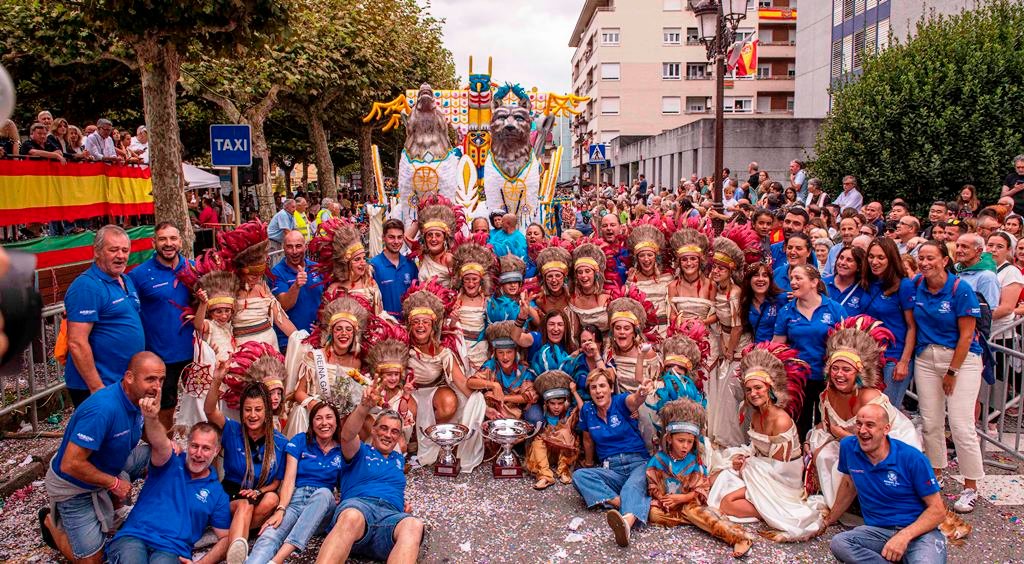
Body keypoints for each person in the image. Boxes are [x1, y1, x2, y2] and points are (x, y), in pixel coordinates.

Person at [40, 352, 164, 564]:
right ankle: (50, 523)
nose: (157, 387)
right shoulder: (103, 409)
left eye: (161, 380)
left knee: (165, 456)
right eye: (150, 379)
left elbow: (153, 440)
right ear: (129, 377)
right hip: (74, 486)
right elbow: (70, 464)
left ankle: (124, 508)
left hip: (110, 465)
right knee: (93, 561)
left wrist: (153, 419)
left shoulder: (138, 400)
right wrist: (113, 483)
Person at [707, 343, 826, 542]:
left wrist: (747, 465)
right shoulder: (755, 416)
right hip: (762, 469)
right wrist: (743, 459)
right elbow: (757, 449)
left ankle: (771, 511)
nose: (754, 393)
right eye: (749, 389)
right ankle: (760, 505)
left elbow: (780, 469)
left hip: (781, 480)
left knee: (727, 502)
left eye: (758, 388)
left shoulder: (780, 420)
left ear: (770, 388)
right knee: (716, 479)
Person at [806, 317, 922, 510]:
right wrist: (807, 442)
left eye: (846, 369)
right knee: (823, 450)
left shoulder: (870, 398)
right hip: (853, 442)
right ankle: (846, 502)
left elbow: (877, 441)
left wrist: (842, 435)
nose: (839, 374)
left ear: (858, 374)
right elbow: (827, 425)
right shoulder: (827, 394)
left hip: (888, 443)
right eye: (835, 368)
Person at [107, 403, 230, 564]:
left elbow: (226, 538)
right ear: (188, 443)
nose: (198, 454)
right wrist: (151, 418)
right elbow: (159, 442)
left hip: (171, 549)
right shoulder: (170, 460)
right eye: (194, 446)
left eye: (206, 448)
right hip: (135, 536)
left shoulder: (217, 493)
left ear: (216, 450)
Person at [824, 404, 947, 564]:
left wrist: (904, 536)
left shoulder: (912, 458)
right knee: (840, 543)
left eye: (870, 425)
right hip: (878, 531)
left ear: (886, 429)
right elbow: (848, 484)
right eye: (859, 424)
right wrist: (829, 520)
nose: (861, 431)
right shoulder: (849, 446)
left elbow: (938, 511)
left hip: (919, 532)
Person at [913, 240, 985, 513]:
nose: (925, 263)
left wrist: (952, 372)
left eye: (931, 257)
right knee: (930, 420)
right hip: (926, 358)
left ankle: (971, 485)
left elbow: (967, 334)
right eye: (921, 257)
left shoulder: (960, 289)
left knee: (960, 423)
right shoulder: (916, 285)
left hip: (961, 359)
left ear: (945, 260)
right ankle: (936, 474)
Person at [316, 387, 424, 563]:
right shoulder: (360, 450)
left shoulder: (398, 460)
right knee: (351, 516)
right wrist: (364, 407)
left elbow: (390, 486)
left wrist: (401, 503)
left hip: (390, 519)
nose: (388, 435)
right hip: (359, 510)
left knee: (414, 524)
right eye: (383, 428)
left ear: (398, 437)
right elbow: (347, 435)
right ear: (373, 430)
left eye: (394, 431)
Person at [646, 399, 753, 557]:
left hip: (688, 501)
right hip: (668, 504)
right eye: (680, 441)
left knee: (693, 511)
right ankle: (697, 520)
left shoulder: (693, 462)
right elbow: (653, 485)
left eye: (690, 442)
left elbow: (701, 489)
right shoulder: (658, 460)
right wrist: (664, 499)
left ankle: (739, 538)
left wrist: (682, 498)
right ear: (669, 439)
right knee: (653, 514)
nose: (685, 446)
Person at [205, 364, 288, 564]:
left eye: (258, 409)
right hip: (230, 495)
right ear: (241, 411)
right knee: (244, 505)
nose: (252, 415)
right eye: (248, 410)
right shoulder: (232, 430)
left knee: (271, 500)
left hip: (257, 493)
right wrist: (216, 380)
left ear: (267, 411)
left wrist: (259, 492)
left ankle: (233, 538)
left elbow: (276, 482)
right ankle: (238, 557)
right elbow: (209, 410)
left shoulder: (280, 442)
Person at [246, 402, 343, 563]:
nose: (324, 423)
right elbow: (289, 479)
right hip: (296, 500)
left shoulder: (342, 449)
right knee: (270, 534)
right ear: (312, 422)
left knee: (324, 494)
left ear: (337, 422)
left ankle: (277, 560)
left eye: (329, 417)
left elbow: (346, 483)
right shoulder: (300, 441)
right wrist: (281, 509)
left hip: (323, 508)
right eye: (318, 418)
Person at [63, 226, 146, 406]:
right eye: (113, 250)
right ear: (97, 252)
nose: (121, 255)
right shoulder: (87, 286)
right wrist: (96, 387)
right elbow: (77, 342)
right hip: (100, 385)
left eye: (125, 250)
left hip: (122, 381)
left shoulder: (125, 280)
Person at [572, 367, 654, 548]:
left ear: (610, 388)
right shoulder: (587, 410)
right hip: (611, 467)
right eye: (593, 387)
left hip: (637, 462)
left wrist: (641, 393)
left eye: (602, 386)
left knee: (633, 484)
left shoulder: (620, 401)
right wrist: (588, 464)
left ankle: (625, 523)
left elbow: (635, 400)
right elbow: (587, 440)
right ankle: (623, 502)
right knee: (579, 476)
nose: (598, 391)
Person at [127, 222, 194, 432]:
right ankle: (162, 455)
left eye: (173, 239)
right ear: (153, 242)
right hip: (161, 357)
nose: (168, 244)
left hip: (195, 352)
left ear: (180, 241)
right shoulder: (138, 275)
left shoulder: (194, 269)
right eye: (163, 239)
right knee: (164, 408)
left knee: (200, 404)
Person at [773, 264, 848, 437]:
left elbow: (848, 343)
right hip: (799, 380)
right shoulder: (786, 311)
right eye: (792, 278)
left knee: (828, 425)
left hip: (828, 378)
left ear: (814, 282)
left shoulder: (834, 309)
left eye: (798, 278)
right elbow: (777, 346)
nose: (793, 282)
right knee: (800, 425)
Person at [860, 238, 918, 408]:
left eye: (881, 257)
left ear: (891, 259)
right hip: (869, 358)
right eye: (871, 256)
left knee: (886, 412)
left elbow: (912, 326)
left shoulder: (904, 285)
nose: (874, 261)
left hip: (893, 357)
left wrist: (904, 361)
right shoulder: (868, 282)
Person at [526, 370, 584, 490]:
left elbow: (582, 408)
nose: (556, 407)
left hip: (563, 450)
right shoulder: (543, 414)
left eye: (560, 403)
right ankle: (545, 476)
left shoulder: (569, 413)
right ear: (546, 404)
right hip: (547, 452)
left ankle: (564, 470)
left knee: (564, 433)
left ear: (565, 403)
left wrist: (574, 392)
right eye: (552, 403)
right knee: (537, 442)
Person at [271, 229, 324, 348]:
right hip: (290, 342)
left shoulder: (316, 268)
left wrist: (324, 324)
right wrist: (296, 286)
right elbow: (284, 305)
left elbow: (327, 298)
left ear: (305, 247)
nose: (294, 251)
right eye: (290, 247)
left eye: (298, 246)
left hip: (317, 338)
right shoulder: (277, 272)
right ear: (283, 248)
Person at [625, 223, 672, 337]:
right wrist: (629, 283)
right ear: (637, 259)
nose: (646, 259)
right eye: (642, 255)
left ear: (656, 257)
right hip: (643, 332)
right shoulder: (632, 279)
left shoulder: (668, 278)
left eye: (650, 255)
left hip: (665, 330)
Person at [370, 219, 418, 320]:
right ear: (383, 238)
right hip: (384, 326)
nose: (396, 242)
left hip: (408, 325)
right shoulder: (373, 266)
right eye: (391, 237)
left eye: (399, 237)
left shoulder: (410, 265)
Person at [569, 240, 613, 333]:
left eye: (587, 271)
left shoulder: (609, 297)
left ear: (595, 274)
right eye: (580, 272)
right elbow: (575, 332)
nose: (584, 276)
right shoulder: (573, 300)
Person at [741, 262, 785, 345]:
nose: (760, 279)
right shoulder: (746, 302)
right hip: (758, 353)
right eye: (756, 275)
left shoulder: (782, 299)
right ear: (749, 280)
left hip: (778, 353)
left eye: (765, 275)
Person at [825, 246, 866, 315]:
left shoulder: (863, 289)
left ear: (859, 266)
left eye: (849, 260)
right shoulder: (822, 283)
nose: (842, 263)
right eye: (841, 258)